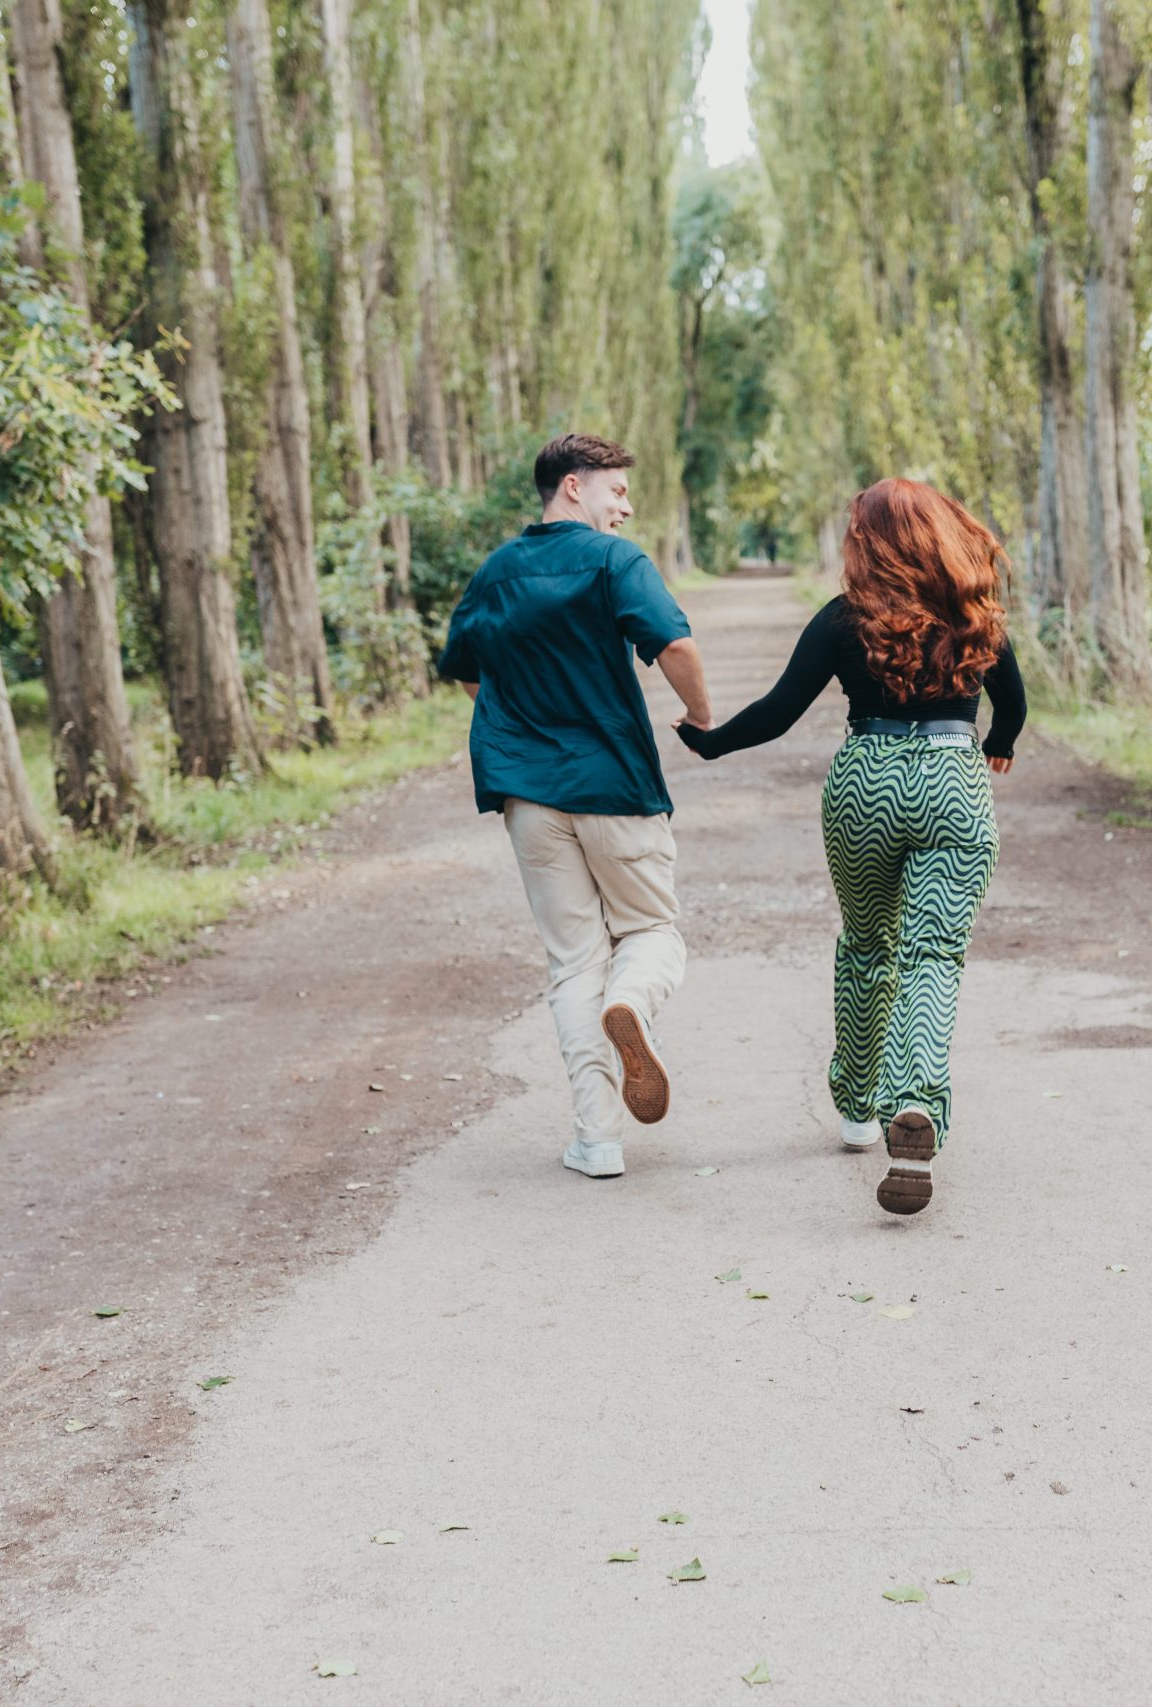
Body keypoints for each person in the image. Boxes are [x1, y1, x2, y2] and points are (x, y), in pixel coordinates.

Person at [677, 478, 1023, 1216]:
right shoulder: (973, 613)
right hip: (953, 781)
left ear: (868, 544)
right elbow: (1014, 705)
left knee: (868, 947)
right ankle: (917, 1099)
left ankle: (860, 1107)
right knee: (933, 955)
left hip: (866, 782)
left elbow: (778, 712)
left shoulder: (844, 618)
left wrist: (710, 743)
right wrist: (998, 741)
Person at [437, 433, 713, 1180]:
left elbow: (467, 670)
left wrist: (519, 718)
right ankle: (633, 1002)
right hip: (613, 784)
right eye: (616, 490)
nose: (626, 506)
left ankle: (597, 1141)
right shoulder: (614, 561)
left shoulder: (495, 571)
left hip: (528, 795)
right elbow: (675, 646)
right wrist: (700, 716)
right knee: (652, 931)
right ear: (572, 486)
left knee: (572, 963)